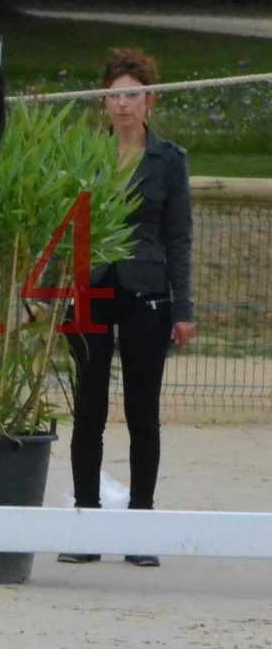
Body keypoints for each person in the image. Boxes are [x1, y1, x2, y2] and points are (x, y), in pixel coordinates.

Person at [59, 48, 196, 568]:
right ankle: (85, 523)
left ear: (149, 100)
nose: (123, 105)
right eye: (114, 95)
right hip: (91, 288)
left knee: (143, 411)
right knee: (87, 410)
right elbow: (65, 223)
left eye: (132, 94)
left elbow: (178, 238)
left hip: (148, 292)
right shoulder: (83, 154)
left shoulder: (170, 160)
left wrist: (183, 308)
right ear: (103, 102)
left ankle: (141, 524)